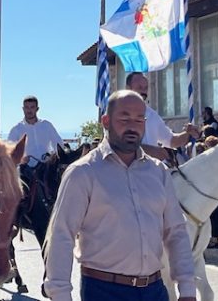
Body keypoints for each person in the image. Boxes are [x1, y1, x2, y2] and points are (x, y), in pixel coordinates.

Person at [43, 90, 196, 301]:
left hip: (155, 290)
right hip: (104, 291)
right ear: (106, 121)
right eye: (124, 118)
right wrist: (60, 295)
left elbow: (176, 231)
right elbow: (62, 235)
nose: (133, 126)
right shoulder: (82, 173)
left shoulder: (159, 172)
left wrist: (187, 289)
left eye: (139, 119)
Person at [125, 72, 198, 160]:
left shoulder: (152, 115)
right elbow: (119, 145)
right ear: (128, 88)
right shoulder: (118, 114)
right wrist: (152, 151)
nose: (143, 91)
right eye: (139, 87)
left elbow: (171, 140)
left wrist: (189, 134)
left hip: (151, 167)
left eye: (146, 88)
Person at [7, 96, 63, 166]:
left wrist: (53, 156)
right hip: (25, 167)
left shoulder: (47, 125)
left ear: (37, 109)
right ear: (23, 109)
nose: (29, 110)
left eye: (32, 107)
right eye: (26, 107)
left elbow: (58, 144)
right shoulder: (16, 129)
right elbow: (9, 152)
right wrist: (21, 159)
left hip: (46, 166)